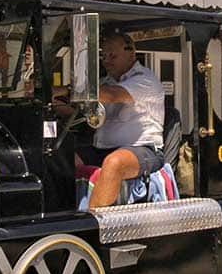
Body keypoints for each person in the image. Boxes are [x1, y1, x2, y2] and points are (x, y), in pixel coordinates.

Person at [64, 32, 165, 209]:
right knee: (63, 157)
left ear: (131, 54)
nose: (106, 60)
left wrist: (69, 90)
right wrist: (51, 99)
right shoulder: (105, 82)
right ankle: (64, 213)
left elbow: (112, 95)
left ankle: (92, 224)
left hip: (144, 150)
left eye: (112, 55)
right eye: (103, 56)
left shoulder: (145, 80)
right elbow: (79, 109)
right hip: (103, 148)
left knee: (114, 163)